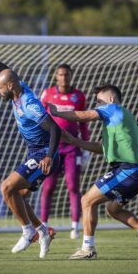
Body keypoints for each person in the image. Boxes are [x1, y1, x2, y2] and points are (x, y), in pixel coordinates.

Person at [0, 39, 61, 258]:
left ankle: (28, 231)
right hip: (35, 152)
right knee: (18, 195)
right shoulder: (17, 87)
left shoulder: (29, 104)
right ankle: (42, 231)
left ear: (10, 86)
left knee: (6, 188)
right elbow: (3, 70)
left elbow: (55, 129)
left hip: (43, 155)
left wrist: (49, 156)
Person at [48, 84, 138, 259]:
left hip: (128, 170)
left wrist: (57, 112)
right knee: (113, 209)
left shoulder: (113, 109)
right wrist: (74, 140)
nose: (97, 105)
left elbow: (84, 116)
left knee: (86, 201)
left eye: (100, 101)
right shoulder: (119, 119)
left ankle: (88, 249)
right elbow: (101, 148)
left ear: (112, 100)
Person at [40, 64, 90, 239]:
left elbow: (83, 122)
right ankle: (43, 226)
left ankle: (75, 227)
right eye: (61, 75)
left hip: (72, 148)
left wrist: (85, 148)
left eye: (67, 75)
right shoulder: (47, 95)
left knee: (72, 185)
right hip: (52, 148)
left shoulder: (79, 96)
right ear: (56, 77)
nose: (64, 78)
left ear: (71, 76)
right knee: (48, 186)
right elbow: (40, 119)